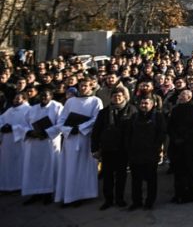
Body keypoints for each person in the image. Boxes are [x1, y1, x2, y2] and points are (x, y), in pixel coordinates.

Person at [55, 78, 103, 206]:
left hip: (85, 139)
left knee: (83, 167)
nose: (83, 88)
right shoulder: (70, 101)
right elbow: (61, 120)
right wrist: (69, 129)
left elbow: (97, 119)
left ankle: (82, 194)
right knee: (69, 167)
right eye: (81, 85)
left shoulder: (95, 101)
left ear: (91, 87)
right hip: (70, 139)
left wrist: (80, 128)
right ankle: (69, 195)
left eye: (86, 86)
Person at [91, 88, 136, 210]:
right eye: (114, 96)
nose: (117, 98)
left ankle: (119, 198)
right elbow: (96, 131)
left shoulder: (132, 110)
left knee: (121, 176)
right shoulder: (104, 112)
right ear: (111, 98)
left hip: (123, 149)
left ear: (124, 97)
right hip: (108, 148)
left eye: (119, 96)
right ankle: (108, 199)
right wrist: (94, 148)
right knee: (108, 176)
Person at [20, 87, 62, 205]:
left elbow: (61, 124)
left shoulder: (57, 107)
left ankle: (48, 193)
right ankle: (36, 192)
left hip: (49, 143)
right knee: (35, 168)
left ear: (51, 96)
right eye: (42, 95)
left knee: (48, 168)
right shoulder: (32, 109)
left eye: (46, 95)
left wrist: (46, 132)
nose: (44, 98)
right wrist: (29, 132)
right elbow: (23, 124)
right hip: (34, 143)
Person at [126, 96, 166, 210]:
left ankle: (150, 202)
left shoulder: (158, 116)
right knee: (135, 180)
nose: (144, 105)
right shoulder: (134, 117)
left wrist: (156, 147)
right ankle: (136, 201)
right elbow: (128, 134)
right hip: (136, 153)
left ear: (152, 104)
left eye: (146, 103)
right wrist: (129, 148)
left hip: (151, 153)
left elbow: (162, 133)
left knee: (151, 179)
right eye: (142, 103)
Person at [168, 90, 193, 203]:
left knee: (189, 169)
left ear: (189, 97)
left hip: (189, 144)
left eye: (183, 95)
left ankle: (191, 193)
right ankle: (178, 193)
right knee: (178, 170)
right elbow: (170, 126)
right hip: (176, 144)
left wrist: (185, 138)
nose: (180, 97)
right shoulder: (175, 109)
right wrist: (175, 138)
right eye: (180, 95)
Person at [0, 92, 31, 192]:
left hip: (20, 141)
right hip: (7, 141)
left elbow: (30, 126)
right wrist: (2, 127)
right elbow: (1, 119)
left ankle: (19, 186)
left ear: (25, 100)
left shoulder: (28, 110)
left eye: (19, 99)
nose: (16, 100)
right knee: (7, 163)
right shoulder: (10, 110)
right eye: (15, 98)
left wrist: (13, 128)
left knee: (19, 163)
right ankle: (6, 186)